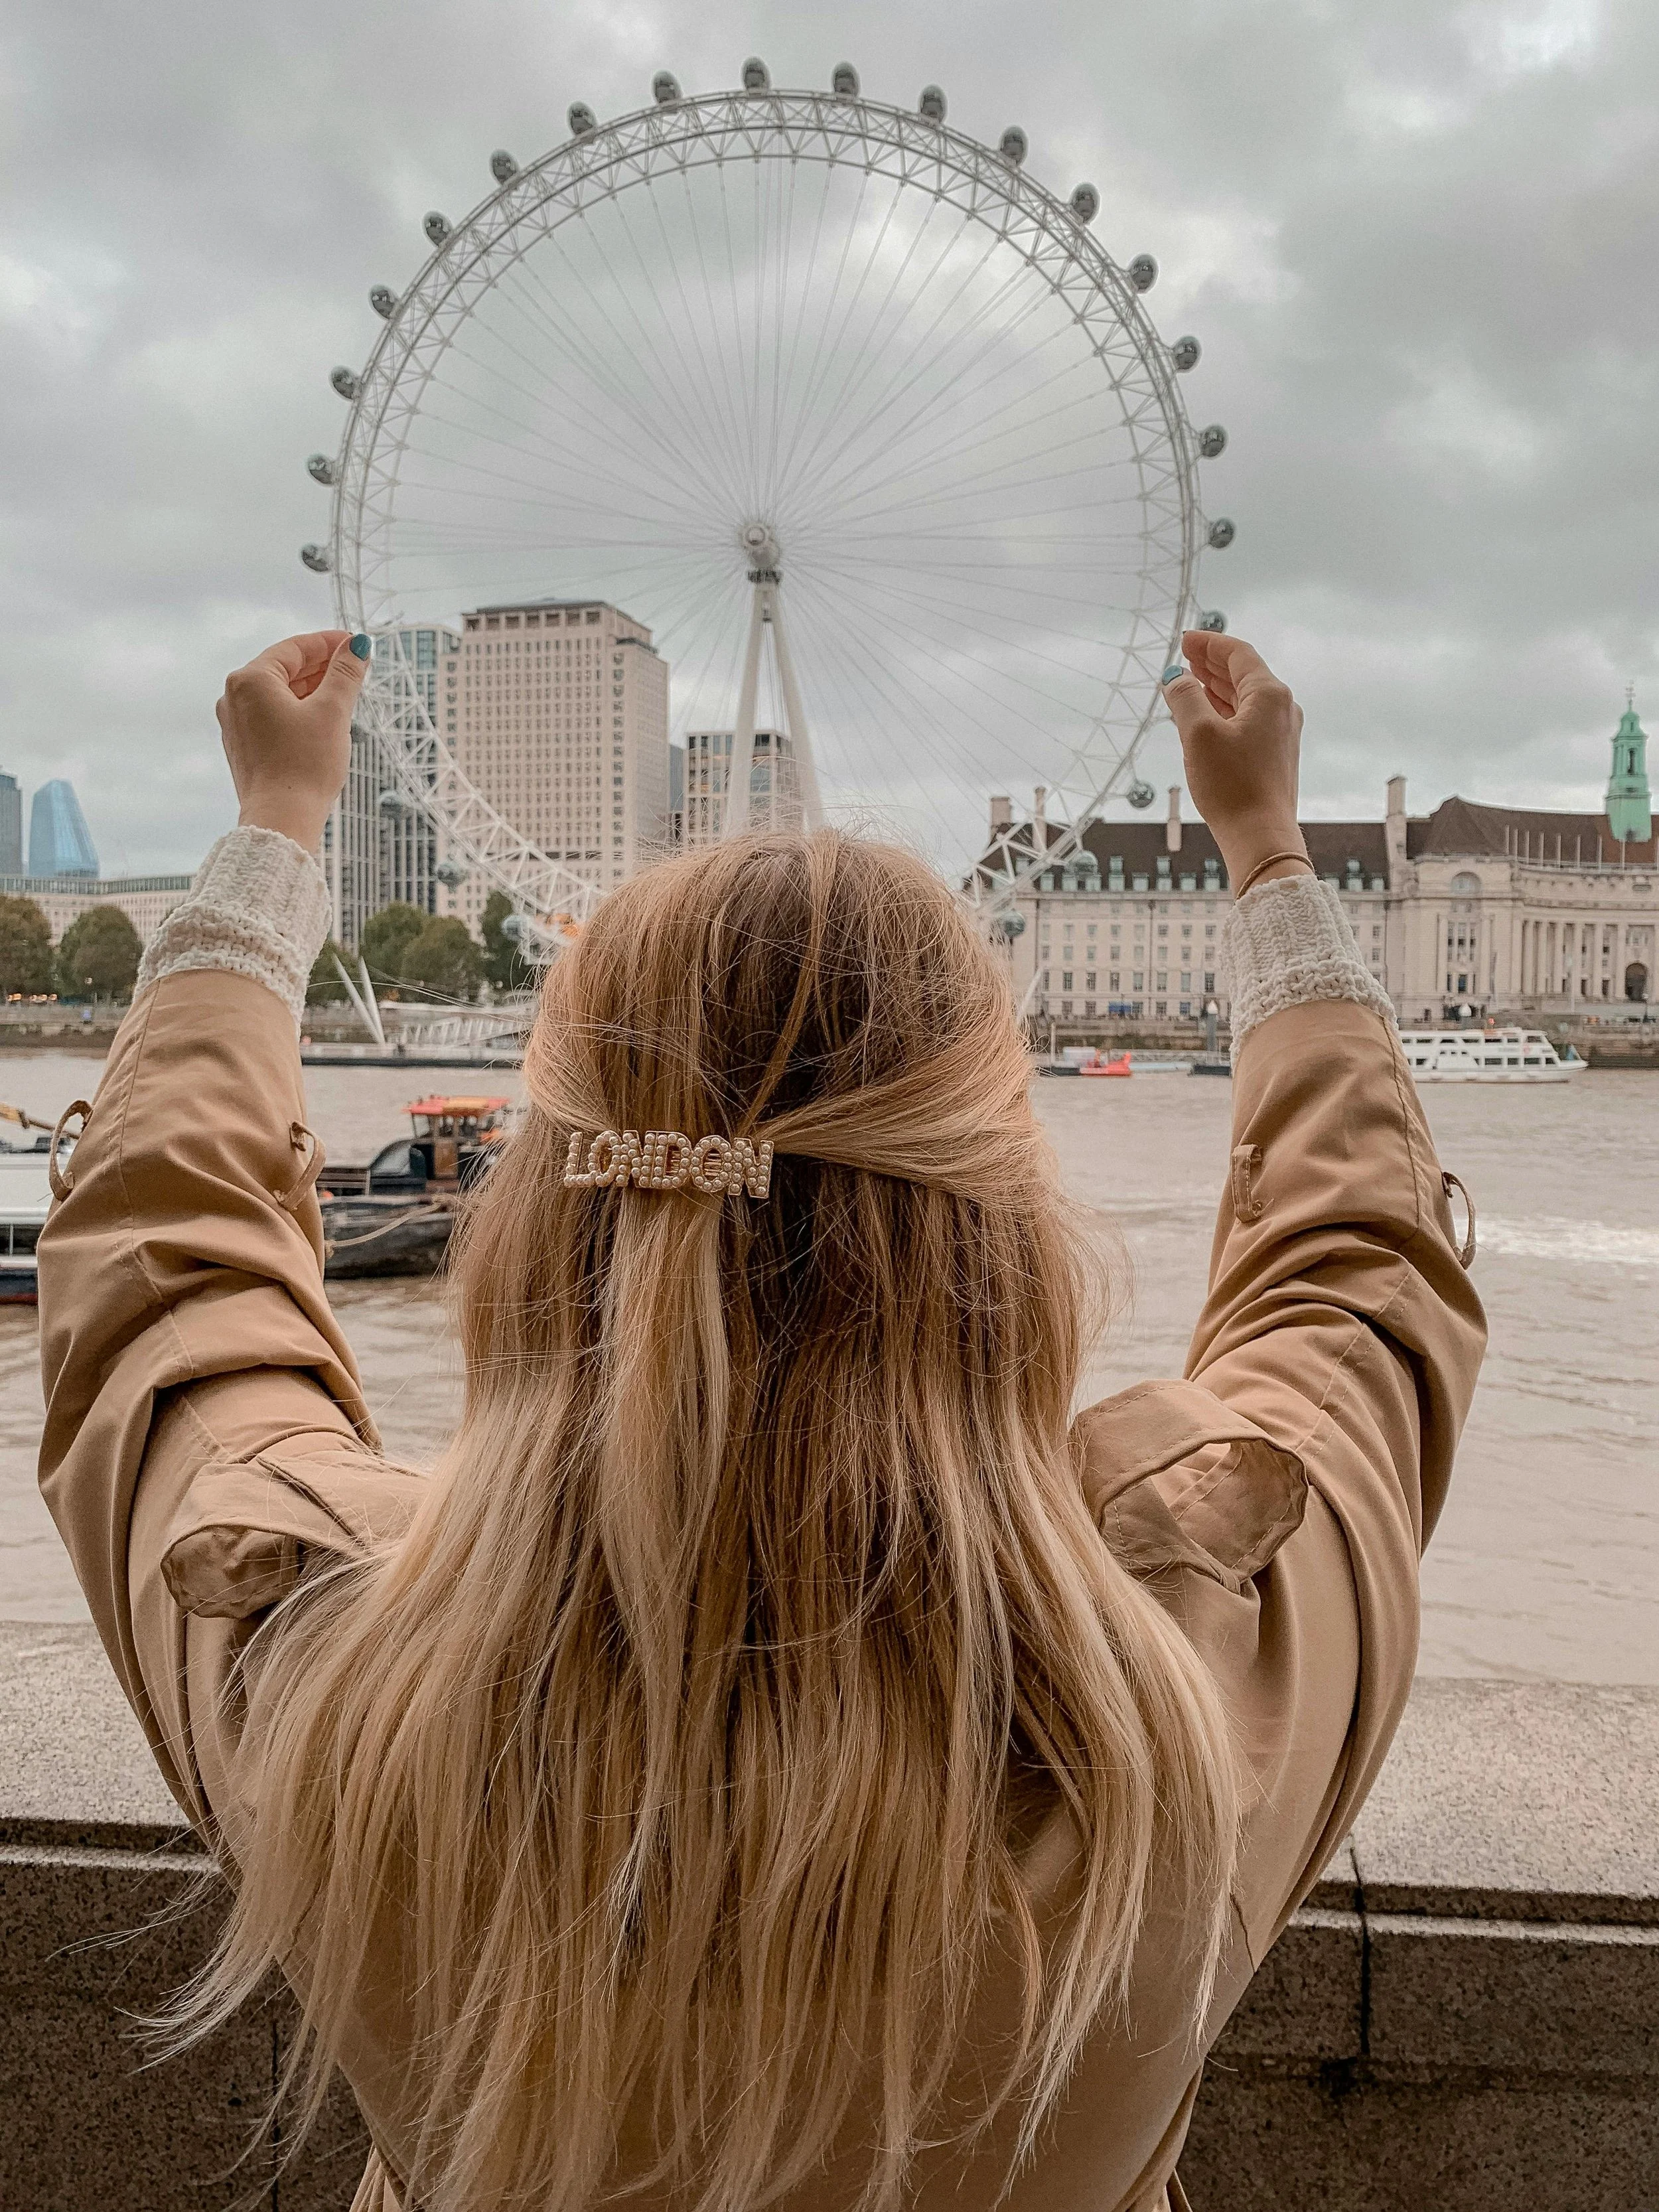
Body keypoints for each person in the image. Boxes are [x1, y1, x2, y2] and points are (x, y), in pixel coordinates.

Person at [38, 626, 1484, 2212]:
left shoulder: (314, 1657)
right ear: (1003, 1246)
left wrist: (271, 837)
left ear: (531, 1227)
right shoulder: (1193, 1692)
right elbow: (1357, 1284)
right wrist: (1268, 852)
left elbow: (156, 1283)